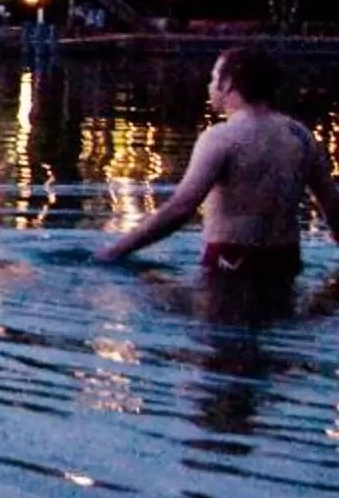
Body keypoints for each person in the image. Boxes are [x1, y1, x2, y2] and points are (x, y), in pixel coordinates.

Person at [96, 45, 339, 308]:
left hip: (230, 263)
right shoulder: (300, 136)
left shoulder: (221, 137)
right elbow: (333, 207)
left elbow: (181, 208)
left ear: (229, 83)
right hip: (286, 262)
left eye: (213, 78)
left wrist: (114, 251)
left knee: (151, 301)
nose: (210, 86)